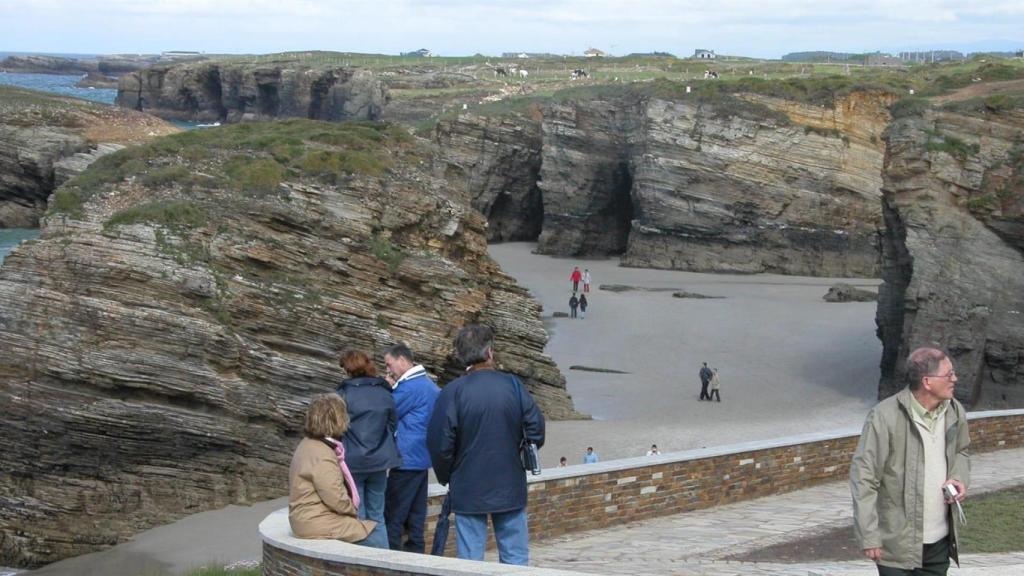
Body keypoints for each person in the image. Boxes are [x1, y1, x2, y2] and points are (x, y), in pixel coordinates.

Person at [427, 324, 545, 565]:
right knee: (515, 557)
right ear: (489, 352)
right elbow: (536, 430)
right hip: (509, 481)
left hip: (468, 483)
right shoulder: (513, 385)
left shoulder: (452, 392)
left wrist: (448, 475)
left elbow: (440, 444)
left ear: (461, 357)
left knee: (470, 560)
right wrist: (519, 452)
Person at [850, 347, 970, 575]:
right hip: (896, 547)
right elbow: (864, 478)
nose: (955, 379)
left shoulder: (955, 411)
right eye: (948, 374)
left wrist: (959, 477)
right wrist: (869, 535)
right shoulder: (884, 417)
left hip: (939, 545)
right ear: (927, 381)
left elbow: (962, 451)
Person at [288, 394, 379, 546]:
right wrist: (351, 510)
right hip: (316, 521)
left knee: (366, 529)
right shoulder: (322, 453)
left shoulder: (308, 444)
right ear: (336, 420)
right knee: (374, 537)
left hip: (306, 518)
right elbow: (334, 495)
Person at [336, 350, 401, 549]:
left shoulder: (342, 395)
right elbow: (393, 425)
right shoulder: (384, 392)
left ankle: (362, 562)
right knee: (378, 516)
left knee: (359, 516)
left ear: (348, 369)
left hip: (353, 462)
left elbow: (336, 429)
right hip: (380, 461)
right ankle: (383, 561)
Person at [382, 343, 440, 554]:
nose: (388, 369)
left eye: (389, 364)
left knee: (394, 516)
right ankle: (416, 557)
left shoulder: (409, 387)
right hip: (422, 457)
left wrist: (389, 388)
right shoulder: (429, 385)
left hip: (406, 459)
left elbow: (388, 412)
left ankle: (392, 559)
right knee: (416, 515)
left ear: (403, 361)